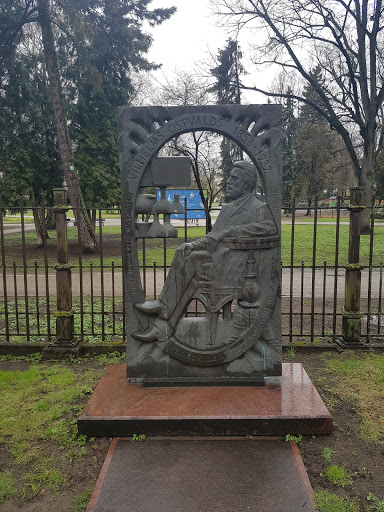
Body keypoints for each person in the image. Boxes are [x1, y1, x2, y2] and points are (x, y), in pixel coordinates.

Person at [133, 160, 277, 342]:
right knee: (183, 254)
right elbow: (213, 237)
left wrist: (230, 232)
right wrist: (193, 245)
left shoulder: (258, 208)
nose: (229, 183)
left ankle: (163, 315)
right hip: (217, 264)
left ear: (246, 183)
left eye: (234, 179)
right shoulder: (227, 210)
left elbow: (269, 229)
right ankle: (163, 323)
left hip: (238, 270)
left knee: (192, 266)